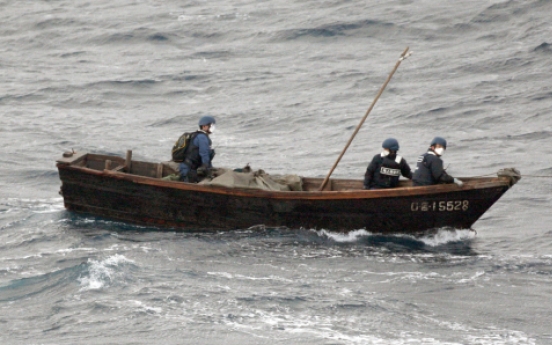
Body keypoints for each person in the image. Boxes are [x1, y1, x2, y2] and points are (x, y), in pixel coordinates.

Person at [179, 116, 216, 183]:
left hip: (185, 167)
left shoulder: (195, 135)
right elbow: (204, 154)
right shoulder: (202, 137)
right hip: (189, 170)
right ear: (204, 126)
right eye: (211, 125)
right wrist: (208, 168)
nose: (213, 128)